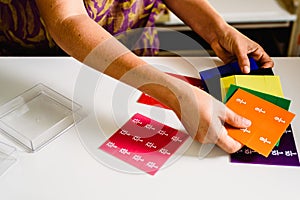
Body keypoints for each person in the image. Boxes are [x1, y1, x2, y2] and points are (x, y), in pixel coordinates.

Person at [0, 0, 274, 154]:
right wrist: (174, 94)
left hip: (136, 53)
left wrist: (217, 29)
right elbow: (67, 19)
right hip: (36, 62)